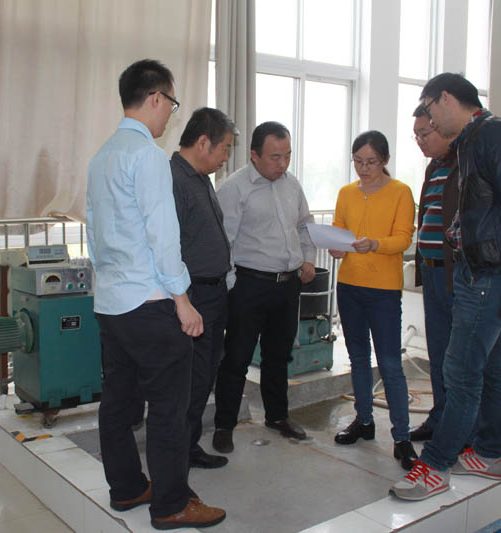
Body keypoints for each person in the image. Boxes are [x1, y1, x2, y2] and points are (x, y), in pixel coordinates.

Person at [391, 72, 501, 501]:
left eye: (429, 111)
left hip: (490, 275)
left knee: (460, 373)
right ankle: (491, 453)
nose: (429, 122)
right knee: (491, 367)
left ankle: (436, 466)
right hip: (481, 271)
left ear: (445, 99)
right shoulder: (472, 140)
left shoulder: (491, 134)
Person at [86, 59, 225, 529]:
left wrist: (109, 280)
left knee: (117, 402)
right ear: (155, 99)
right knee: (169, 408)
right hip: (149, 303)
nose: (170, 114)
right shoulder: (146, 156)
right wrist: (182, 300)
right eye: (171, 103)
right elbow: (162, 235)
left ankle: (127, 487)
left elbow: (95, 232)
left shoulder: (102, 155)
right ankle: (171, 504)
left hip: (111, 302)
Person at [211, 121, 317, 454]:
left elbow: (305, 225)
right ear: (254, 155)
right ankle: (224, 424)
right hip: (249, 285)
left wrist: (308, 259)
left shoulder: (291, 185)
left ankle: (277, 416)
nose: (282, 164)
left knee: (278, 355)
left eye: (287, 156)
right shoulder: (234, 188)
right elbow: (223, 241)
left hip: (287, 285)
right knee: (237, 357)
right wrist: (232, 287)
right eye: (275, 157)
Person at [329, 131, 418, 470]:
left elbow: (403, 239)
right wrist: (336, 247)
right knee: (358, 358)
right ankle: (364, 420)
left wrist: (375, 244)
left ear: (385, 161)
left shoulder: (400, 192)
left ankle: (402, 437)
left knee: (390, 364)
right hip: (349, 285)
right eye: (358, 162)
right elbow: (338, 230)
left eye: (371, 162)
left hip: (383, 290)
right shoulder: (346, 193)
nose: (364, 169)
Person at [170, 107, 236, 469]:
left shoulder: (200, 178)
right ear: (202, 142)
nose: (226, 157)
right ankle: (178, 453)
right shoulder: (174, 181)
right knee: (191, 380)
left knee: (205, 374)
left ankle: (189, 446)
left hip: (214, 293)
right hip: (193, 296)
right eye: (224, 148)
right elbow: (168, 247)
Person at [408, 105, 459, 443]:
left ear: (442, 127)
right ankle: (439, 417)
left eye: (424, 134)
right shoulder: (434, 167)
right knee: (438, 352)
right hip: (431, 272)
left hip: (456, 275)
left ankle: (460, 427)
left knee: (460, 357)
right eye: (416, 136)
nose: (420, 141)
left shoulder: (464, 165)